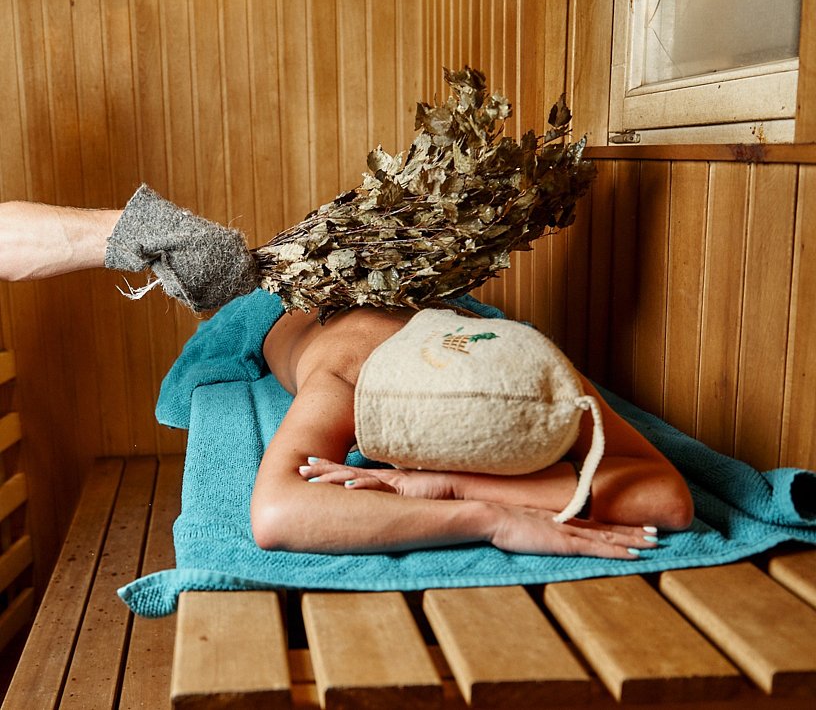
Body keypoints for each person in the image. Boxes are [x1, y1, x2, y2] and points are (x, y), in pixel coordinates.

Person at [0, 193, 693, 560]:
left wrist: (448, 487)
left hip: (421, 305)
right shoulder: (351, 372)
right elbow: (278, 514)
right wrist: (490, 519)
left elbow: (666, 498)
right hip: (279, 309)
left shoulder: (528, 365)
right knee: (245, 295)